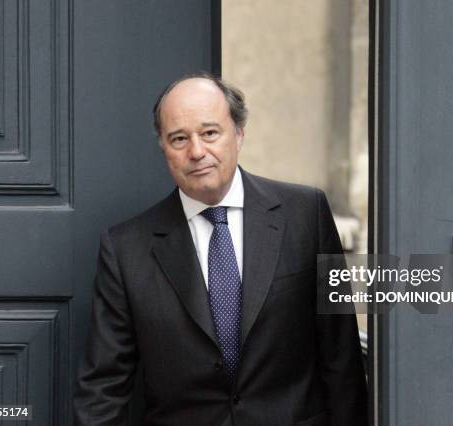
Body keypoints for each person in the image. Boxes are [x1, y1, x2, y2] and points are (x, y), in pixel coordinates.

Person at [73, 73, 367, 425]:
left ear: (239, 134)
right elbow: (104, 388)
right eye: (179, 138)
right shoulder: (126, 249)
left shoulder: (306, 214)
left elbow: (342, 359)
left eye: (210, 133)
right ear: (163, 148)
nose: (197, 152)